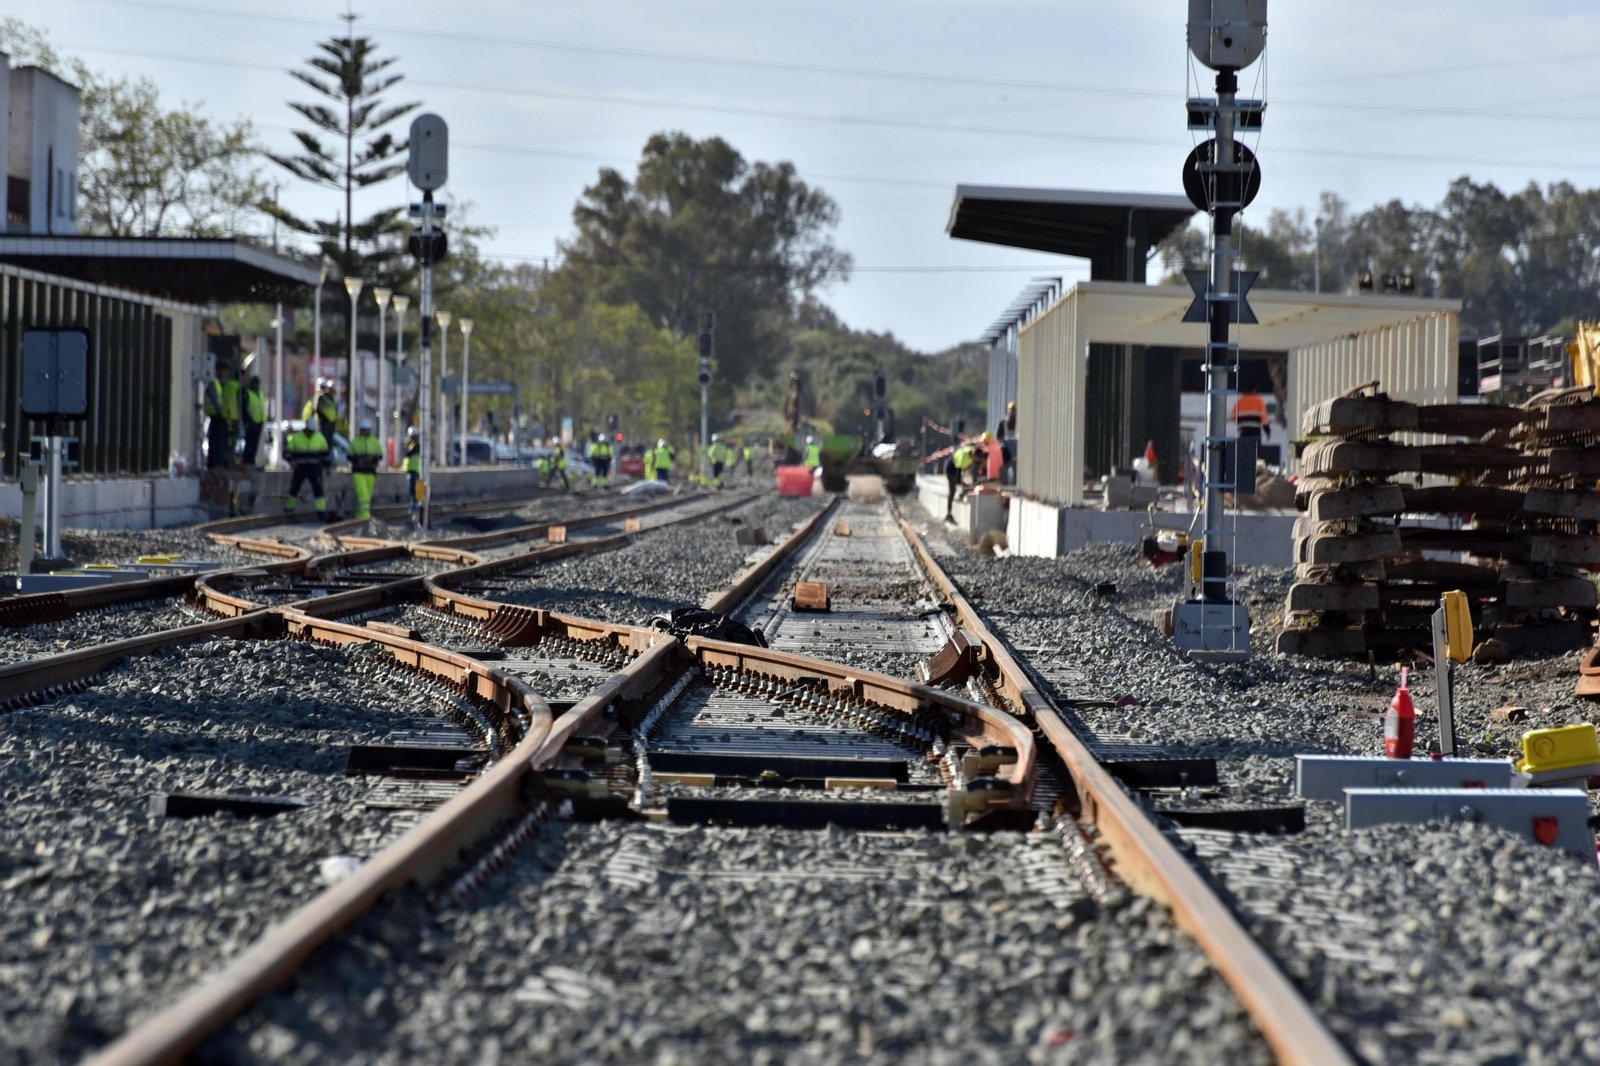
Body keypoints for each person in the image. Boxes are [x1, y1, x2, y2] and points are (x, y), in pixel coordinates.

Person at [283, 419, 329, 515]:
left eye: (313, 431)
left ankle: (321, 512)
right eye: (310, 431)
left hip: (315, 469)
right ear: (306, 428)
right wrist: (293, 463)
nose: (311, 433)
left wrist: (326, 466)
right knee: (294, 489)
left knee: (318, 490)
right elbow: (287, 454)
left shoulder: (320, 438)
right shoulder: (296, 438)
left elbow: (326, 454)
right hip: (300, 468)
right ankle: (288, 510)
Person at [349, 419, 382, 521]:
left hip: (370, 472)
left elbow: (380, 455)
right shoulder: (355, 442)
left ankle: (360, 515)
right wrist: (358, 460)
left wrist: (372, 459)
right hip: (358, 472)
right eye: (363, 430)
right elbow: (349, 456)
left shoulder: (375, 442)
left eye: (366, 430)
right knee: (362, 493)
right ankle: (366, 517)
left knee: (368, 495)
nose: (365, 432)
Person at [203, 366, 231, 469]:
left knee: (217, 442)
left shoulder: (218, 383)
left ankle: (216, 463)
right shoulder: (212, 382)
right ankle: (213, 464)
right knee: (214, 442)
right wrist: (222, 412)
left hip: (217, 416)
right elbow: (215, 400)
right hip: (215, 416)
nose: (225, 374)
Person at [241, 375, 267, 474]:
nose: (256, 385)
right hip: (251, 422)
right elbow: (245, 408)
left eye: (258, 383)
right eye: (255, 383)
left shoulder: (260, 393)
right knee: (249, 444)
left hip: (259, 421)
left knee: (255, 444)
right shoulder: (247, 393)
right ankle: (247, 463)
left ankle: (251, 463)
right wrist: (247, 421)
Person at [404, 427, 423, 521]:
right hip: (411, 469)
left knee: (414, 491)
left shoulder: (417, 445)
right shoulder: (412, 444)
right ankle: (414, 508)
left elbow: (408, 454)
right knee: (412, 491)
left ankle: (414, 508)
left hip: (415, 470)